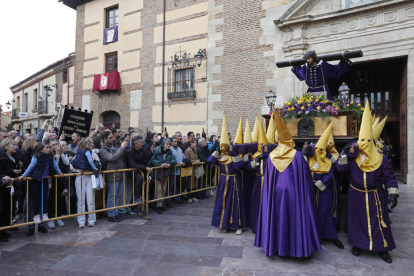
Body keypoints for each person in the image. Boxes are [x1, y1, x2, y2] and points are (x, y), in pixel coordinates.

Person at [337, 101, 399, 263]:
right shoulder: (353, 156)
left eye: (367, 140)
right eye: (361, 139)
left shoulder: (382, 158)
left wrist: (393, 193)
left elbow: (390, 177)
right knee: (356, 221)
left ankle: (383, 248)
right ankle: (357, 244)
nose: (364, 143)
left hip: (376, 195)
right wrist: (346, 154)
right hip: (355, 193)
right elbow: (340, 169)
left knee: (379, 222)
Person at [254, 109, 320, 258]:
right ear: (290, 140)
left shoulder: (271, 156)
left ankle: (275, 246)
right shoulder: (297, 156)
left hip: (274, 194)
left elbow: (268, 176)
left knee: (276, 216)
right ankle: (294, 248)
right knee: (293, 218)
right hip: (294, 194)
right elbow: (305, 177)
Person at [303, 122, 344, 249]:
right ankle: (312, 234)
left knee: (325, 212)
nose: (318, 152)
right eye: (316, 149)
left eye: (321, 150)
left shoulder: (329, 160)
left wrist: (319, 185)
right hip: (310, 190)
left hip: (323, 191)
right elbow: (303, 169)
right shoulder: (309, 159)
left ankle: (330, 235)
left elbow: (330, 174)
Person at [208, 116, 246, 235]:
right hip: (223, 180)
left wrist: (234, 155)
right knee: (223, 202)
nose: (224, 148)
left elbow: (238, 167)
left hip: (233, 181)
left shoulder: (233, 156)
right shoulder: (219, 157)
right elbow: (210, 161)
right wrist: (216, 151)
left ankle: (238, 225)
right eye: (222, 146)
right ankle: (225, 224)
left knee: (235, 202)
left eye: (225, 146)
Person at [18, 141, 63, 225]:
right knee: (36, 197)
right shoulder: (36, 157)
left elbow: (55, 165)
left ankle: (45, 213)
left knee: (44, 196)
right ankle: (36, 215)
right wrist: (24, 175)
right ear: (40, 149)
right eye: (47, 147)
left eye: (49, 147)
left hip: (44, 179)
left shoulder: (50, 156)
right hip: (36, 179)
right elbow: (31, 166)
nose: (49, 149)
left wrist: (59, 172)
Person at [99, 131, 129, 222]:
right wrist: (122, 147)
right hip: (112, 175)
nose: (112, 139)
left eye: (112, 137)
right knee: (112, 196)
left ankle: (116, 213)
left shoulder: (113, 146)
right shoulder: (103, 150)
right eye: (110, 138)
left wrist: (123, 147)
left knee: (118, 195)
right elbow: (113, 157)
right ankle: (111, 214)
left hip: (120, 174)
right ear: (105, 139)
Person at [71, 138, 99, 228]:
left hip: (90, 177)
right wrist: (81, 169)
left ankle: (91, 220)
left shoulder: (93, 153)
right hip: (80, 177)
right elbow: (72, 166)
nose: (91, 145)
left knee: (91, 201)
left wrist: (94, 167)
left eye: (92, 144)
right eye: (89, 144)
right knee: (81, 201)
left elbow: (99, 164)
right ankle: (81, 221)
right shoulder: (79, 153)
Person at [0, 138, 22, 241]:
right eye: (13, 145)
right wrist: (11, 171)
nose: (16, 147)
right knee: (3, 208)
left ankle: (5, 228)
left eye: (16, 145)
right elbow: (2, 171)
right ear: (6, 146)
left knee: (10, 208)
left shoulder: (15, 157)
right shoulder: (2, 158)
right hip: (4, 187)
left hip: (13, 186)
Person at [148, 138, 177, 214]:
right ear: (163, 144)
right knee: (159, 190)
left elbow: (174, 160)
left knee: (163, 189)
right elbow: (152, 160)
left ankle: (162, 204)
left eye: (169, 144)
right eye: (167, 144)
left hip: (166, 173)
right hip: (158, 173)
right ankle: (159, 206)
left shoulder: (170, 152)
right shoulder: (157, 151)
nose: (168, 146)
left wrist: (169, 164)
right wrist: (160, 164)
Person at [47, 139, 67, 229]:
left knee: (60, 199)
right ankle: (50, 218)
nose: (56, 146)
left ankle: (58, 217)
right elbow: (55, 165)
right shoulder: (49, 155)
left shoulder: (61, 153)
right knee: (51, 200)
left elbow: (67, 163)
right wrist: (58, 155)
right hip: (51, 180)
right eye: (53, 145)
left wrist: (61, 154)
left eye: (56, 144)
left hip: (60, 180)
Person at [128, 135, 152, 209]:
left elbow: (147, 157)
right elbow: (132, 164)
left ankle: (146, 199)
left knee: (149, 180)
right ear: (136, 144)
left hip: (141, 169)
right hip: (133, 170)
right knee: (140, 178)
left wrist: (152, 152)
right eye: (141, 142)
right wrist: (145, 167)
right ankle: (137, 197)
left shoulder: (142, 149)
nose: (142, 144)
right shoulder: (131, 151)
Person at [167, 135, 186, 206]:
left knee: (178, 185)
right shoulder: (170, 149)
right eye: (174, 142)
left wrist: (185, 161)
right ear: (171, 142)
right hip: (172, 170)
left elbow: (183, 156)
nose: (176, 143)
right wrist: (178, 162)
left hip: (179, 170)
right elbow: (170, 159)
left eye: (176, 141)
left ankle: (177, 198)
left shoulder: (179, 148)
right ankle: (168, 200)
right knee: (171, 186)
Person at [184, 138, 201, 203]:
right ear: (191, 143)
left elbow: (196, 157)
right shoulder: (188, 150)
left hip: (195, 168)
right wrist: (194, 161)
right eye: (194, 143)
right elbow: (187, 160)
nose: (196, 144)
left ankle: (193, 196)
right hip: (190, 168)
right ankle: (189, 196)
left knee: (194, 183)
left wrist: (198, 160)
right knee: (190, 183)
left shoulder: (195, 150)